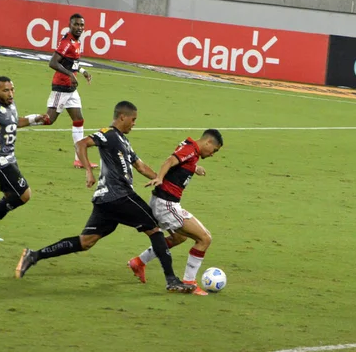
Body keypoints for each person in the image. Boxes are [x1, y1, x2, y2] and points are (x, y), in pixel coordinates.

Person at [15, 101, 196, 293]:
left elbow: (141, 167)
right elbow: (81, 143)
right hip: (120, 195)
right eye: (133, 120)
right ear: (122, 117)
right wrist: (88, 171)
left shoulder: (124, 141)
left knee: (86, 242)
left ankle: (33, 255)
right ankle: (172, 280)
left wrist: (161, 179)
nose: (134, 123)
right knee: (154, 229)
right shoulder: (108, 134)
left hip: (106, 202)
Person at [127, 129, 223, 296]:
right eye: (214, 150)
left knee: (179, 237)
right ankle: (190, 282)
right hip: (167, 205)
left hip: (161, 201)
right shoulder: (191, 149)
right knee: (204, 238)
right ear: (208, 142)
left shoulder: (190, 148)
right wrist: (160, 178)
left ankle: (139, 262)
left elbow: (181, 162)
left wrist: (194, 167)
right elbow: (170, 161)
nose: (213, 154)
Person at [0, 76, 49, 241]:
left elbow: (15, 122)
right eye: (6, 90)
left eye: (12, 89)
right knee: (24, 195)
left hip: (10, 157)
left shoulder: (11, 105)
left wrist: (35, 119)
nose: (10, 93)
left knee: (9, 196)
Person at [44, 13, 98, 169]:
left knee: (78, 120)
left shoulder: (76, 42)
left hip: (71, 89)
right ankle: (17, 122)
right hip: (61, 87)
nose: (79, 27)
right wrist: (69, 75)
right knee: (49, 119)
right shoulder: (67, 42)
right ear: (70, 25)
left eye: (82, 25)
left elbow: (71, 63)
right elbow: (53, 63)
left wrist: (82, 71)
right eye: (76, 24)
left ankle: (79, 160)